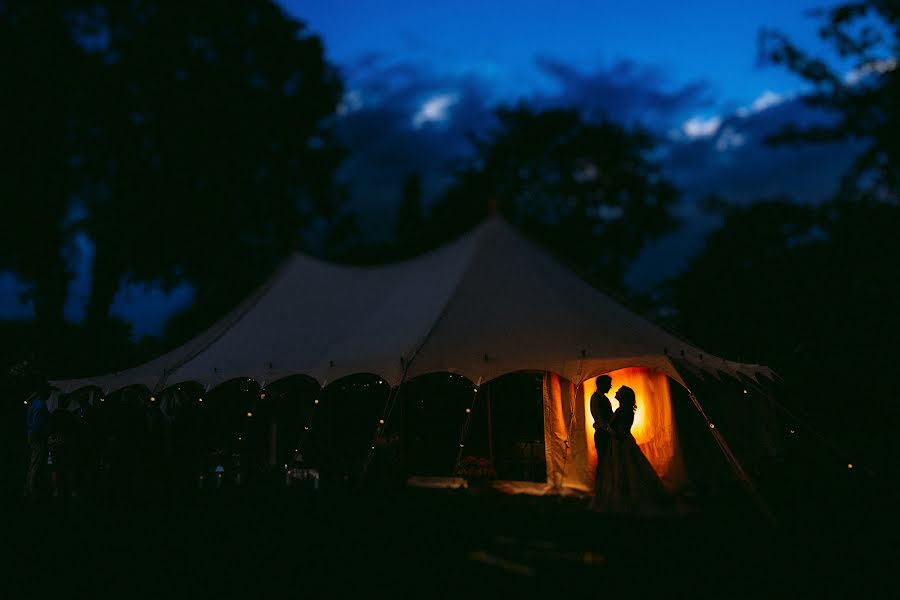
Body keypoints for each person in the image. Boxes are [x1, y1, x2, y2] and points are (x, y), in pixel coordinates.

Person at [592, 385, 669, 514]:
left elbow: (616, 430)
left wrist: (602, 427)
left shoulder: (621, 411)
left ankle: (623, 498)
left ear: (623, 397)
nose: (616, 392)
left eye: (619, 392)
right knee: (629, 468)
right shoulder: (626, 410)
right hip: (624, 442)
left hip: (619, 444)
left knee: (621, 468)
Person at [24, 380, 51, 500]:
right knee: (37, 463)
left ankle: (28, 487)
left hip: (32, 434)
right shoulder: (40, 405)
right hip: (37, 436)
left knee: (34, 461)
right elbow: (37, 423)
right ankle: (32, 489)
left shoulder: (35, 404)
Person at [589, 375, 614, 460]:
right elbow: (599, 417)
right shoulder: (596, 398)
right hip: (603, 434)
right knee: (604, 459)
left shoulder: (601, 397)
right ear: (601, 384)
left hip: (604, 433)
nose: (610, 386)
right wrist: (609, 429)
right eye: (608, 384)